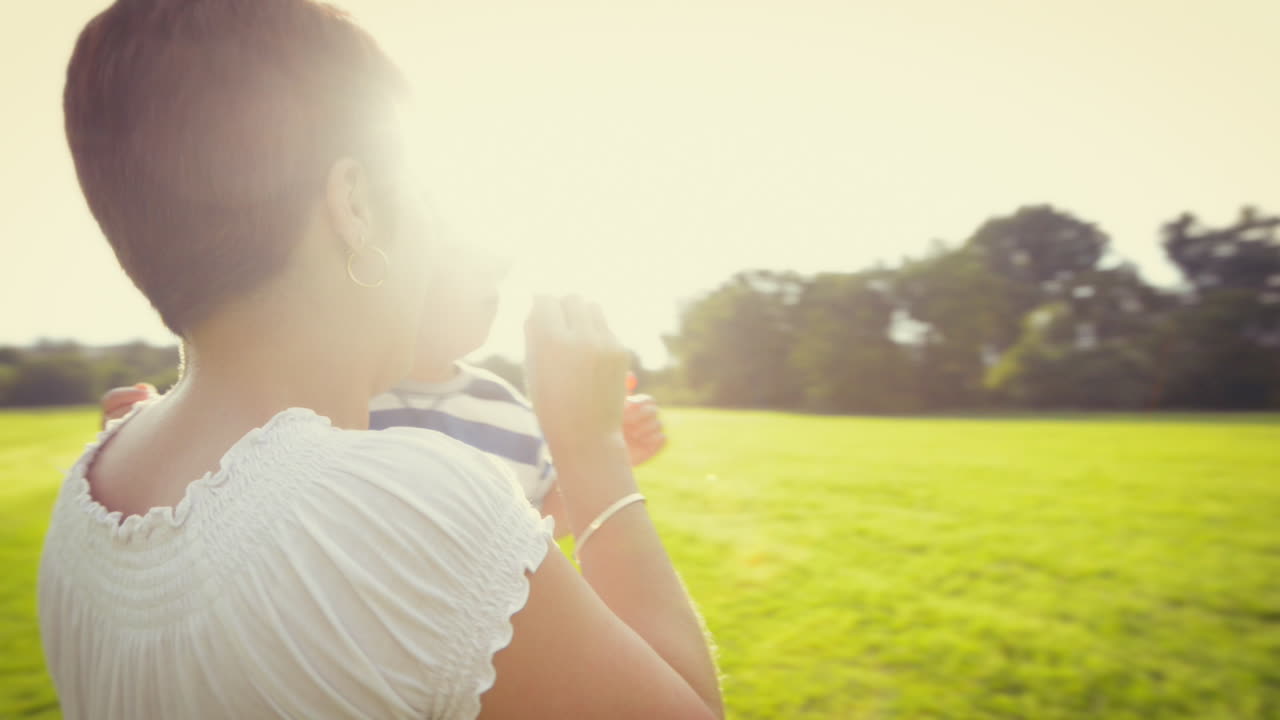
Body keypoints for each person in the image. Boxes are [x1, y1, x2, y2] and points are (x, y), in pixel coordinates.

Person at [38, 1, 723, 719]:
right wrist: (592, 448)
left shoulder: (81, 503)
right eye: (418, 194)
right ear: (355, 204)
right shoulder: (407, 509)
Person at [102, 246, 669, 540]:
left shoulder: (510, 409)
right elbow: (233, 490)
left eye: (491, 283)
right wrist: (155, 433)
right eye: (454, 274)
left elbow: (541, 519)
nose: (482, 294)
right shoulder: (320, 395)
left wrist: (605, 451)